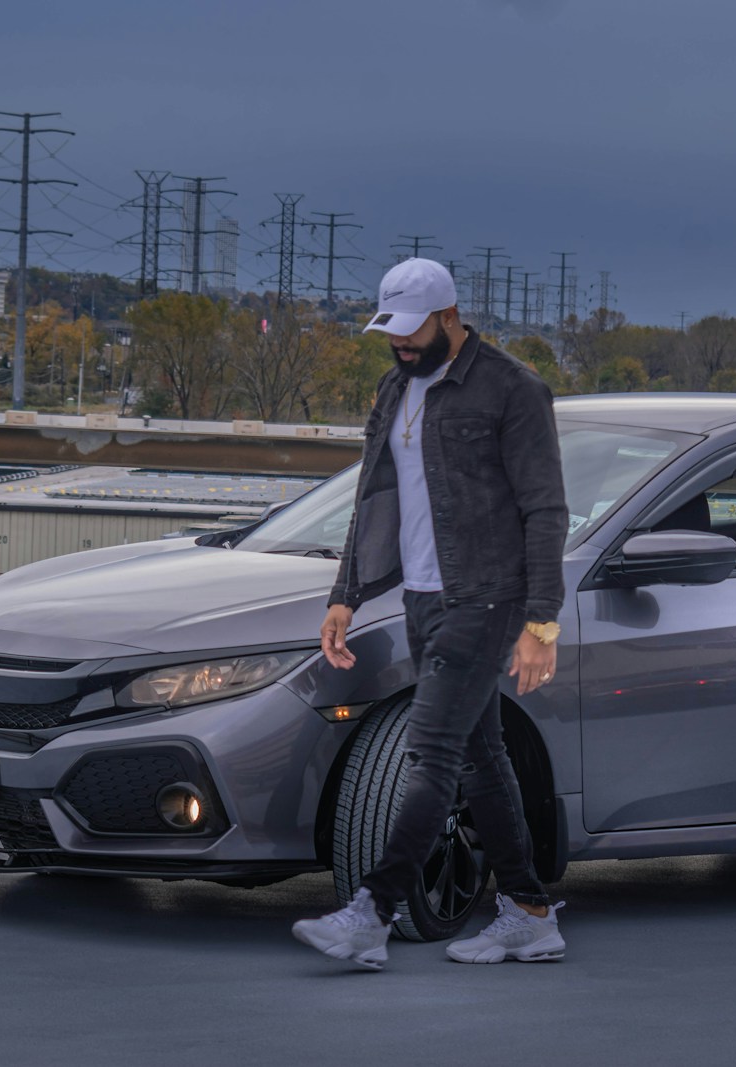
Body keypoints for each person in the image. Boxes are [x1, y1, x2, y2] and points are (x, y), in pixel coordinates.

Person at [292, 258, 568, 971]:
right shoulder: (395, 387)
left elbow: (546, 509)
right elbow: (373, 497)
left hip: (485, 597)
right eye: (391, 330)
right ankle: (530, 914)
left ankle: (371, 913)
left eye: (412, 331)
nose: (400, 343)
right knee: (481, 755)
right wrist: (346, 594)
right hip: (420, 597)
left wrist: (541, 622)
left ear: (450, 317)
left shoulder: (512, 388)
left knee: (431, 751)